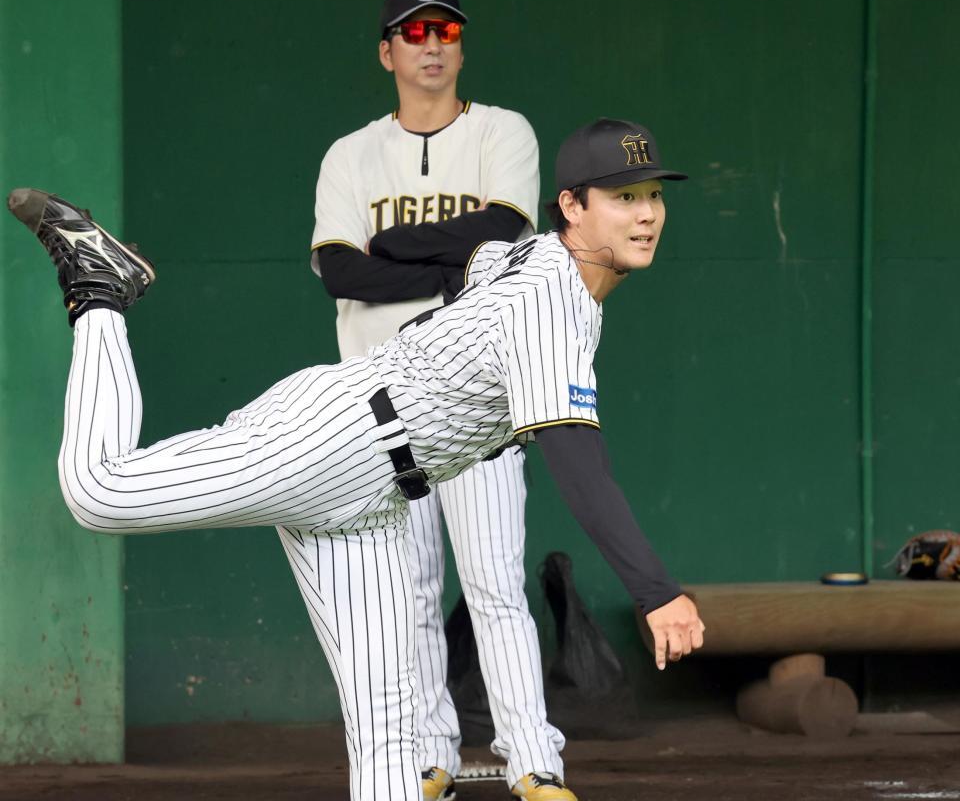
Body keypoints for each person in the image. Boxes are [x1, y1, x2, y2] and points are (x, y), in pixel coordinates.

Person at [6, 117, 705, 801]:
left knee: (388, 730)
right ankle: (99, 293)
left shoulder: (531, 259)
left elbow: (467, 262)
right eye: (623, 197)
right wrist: (656, 591)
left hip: (378, 494)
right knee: (99, 490)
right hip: (334, 438)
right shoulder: (552, 297)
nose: (647, 214)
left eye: (653, 195)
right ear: (572, 207)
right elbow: (580, 465)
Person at [309, 0, 560, 800]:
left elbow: (505, 231)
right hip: (382, 406)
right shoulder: (350, 154)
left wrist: (395, 245)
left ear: (460, 45)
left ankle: (534, 760)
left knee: (495, 586)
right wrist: (452, 271)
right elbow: (340, 271)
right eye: (413, 33)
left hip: (481, 402)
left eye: (444, 31)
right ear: (387, 52)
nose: (430, 45)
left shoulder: (502, 131)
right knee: (409, 592)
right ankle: (430, 759)